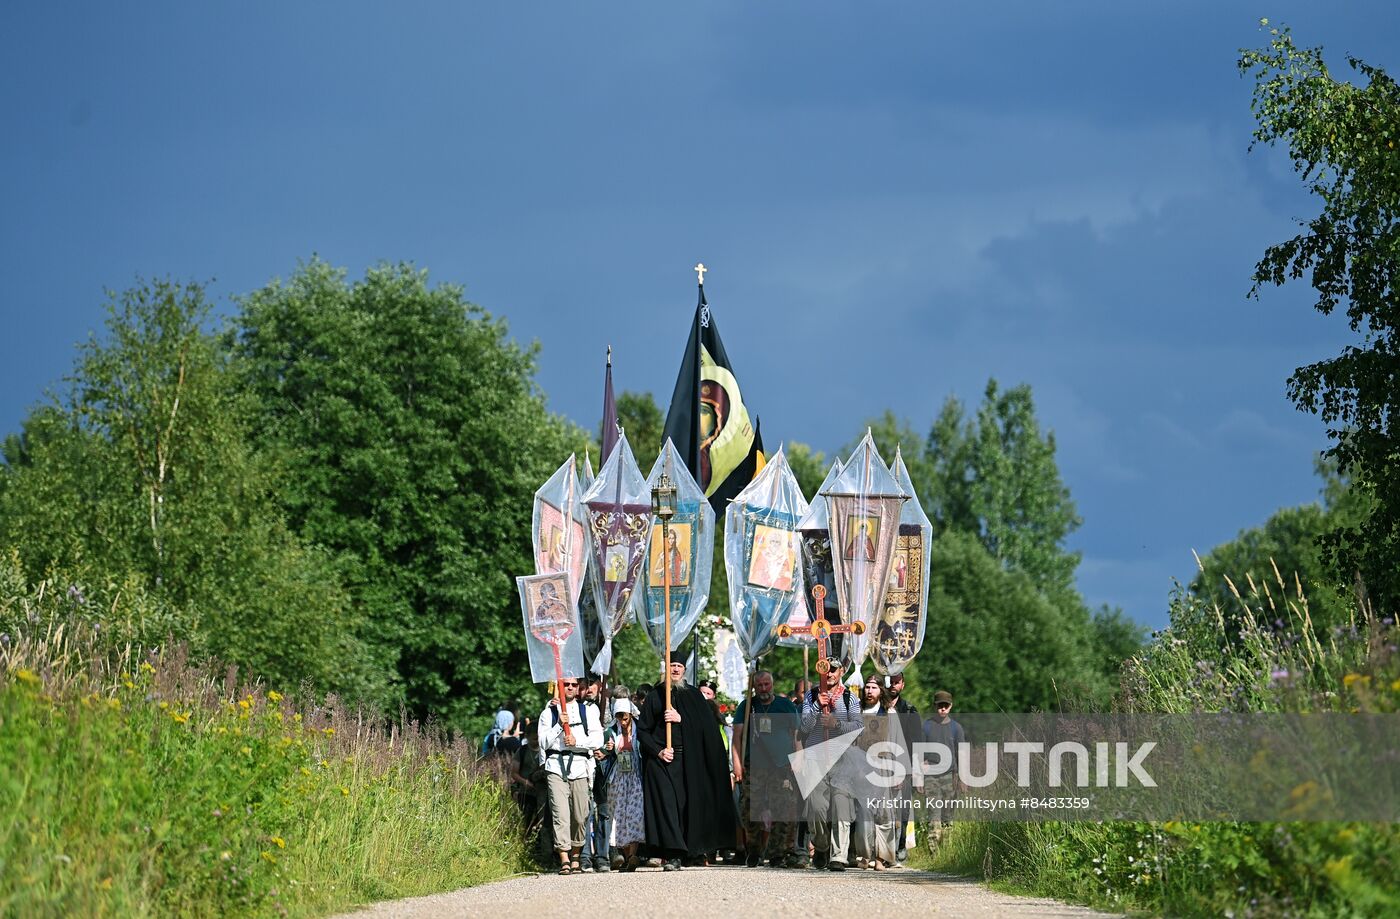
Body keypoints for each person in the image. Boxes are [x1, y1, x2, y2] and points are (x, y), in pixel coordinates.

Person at [637, 654, 738, 870]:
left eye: (679, 666)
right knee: (667, 805)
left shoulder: (693, 695)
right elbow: (643, 731)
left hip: (687, 760)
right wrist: (659, 751)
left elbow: (706, 729)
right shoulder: (656, 695)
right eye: (672, 665)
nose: (675, 670)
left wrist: (681, 719)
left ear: (684, 670)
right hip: (661, 761)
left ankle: (689, 851)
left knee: (685, 805)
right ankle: (674, 853)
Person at [798, 657, 862, 870]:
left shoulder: (849, 698)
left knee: (841, 806)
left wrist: (836, 723)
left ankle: (838, 857)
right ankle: (822, 846)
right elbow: (804, 728)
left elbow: (857, 728)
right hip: (816, 759)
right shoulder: (811, 695)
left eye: (834, 670)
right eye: (827, 670)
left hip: (841, 759)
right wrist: (817, 706)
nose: (830, 674)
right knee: (816, 808)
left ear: (841, 671)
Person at [732, 670, 800, 868]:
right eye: (759, 685)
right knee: (749, 807)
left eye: (766, 685)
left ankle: (777, 853)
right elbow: (737, 736)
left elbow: (797, 734)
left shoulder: (785, 705)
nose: (763, 689)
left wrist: (799, 759)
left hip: (781, 766)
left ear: (772, 684)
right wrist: (736, 763)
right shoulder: (747, 706)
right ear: (754, 686)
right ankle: (753, 849)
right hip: (754, 766)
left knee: (783, 808)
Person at [538, 678, 604, 874]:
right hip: (556, 767)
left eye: (574, 685)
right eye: (566, 684)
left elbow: (598, 739)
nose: (569, 688)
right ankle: (565, 857)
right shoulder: (548, 712)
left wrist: (577, 741)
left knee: (581, 814)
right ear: (559, 686)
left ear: (578, 688)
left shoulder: (588, 711)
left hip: (580, 767)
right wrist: (559, 725)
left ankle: (576, 852)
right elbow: (543, 742)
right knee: (561, 814)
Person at [919, 690, 965, 854]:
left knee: (948, 817)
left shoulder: (956, 728)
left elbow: (962, 754)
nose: (943, 709)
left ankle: (948, 852)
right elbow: (919, 753)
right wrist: (919, 778)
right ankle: (934, 853)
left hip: (949, 776)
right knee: (934, 816)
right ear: (935, 706)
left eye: (946, 705)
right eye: (940, 706)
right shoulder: (927, 726)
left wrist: (962, 778)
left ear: (951, 706)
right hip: (931, 776)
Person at [603, 698, 646, 871]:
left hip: (636, 777)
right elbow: (602, 752)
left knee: (635, 815)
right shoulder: (611, 731)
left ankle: (633, 854)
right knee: (619, 817)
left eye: (625, 717)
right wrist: (608, 748)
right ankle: (628, 857)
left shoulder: (640, 730)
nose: (622, 720)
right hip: (618, 778)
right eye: (618, 717)